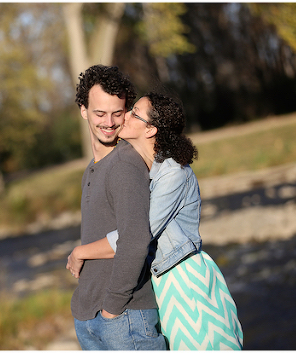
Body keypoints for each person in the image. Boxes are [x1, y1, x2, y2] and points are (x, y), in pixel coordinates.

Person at [67, 92, 244, 350]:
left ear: (150, 129)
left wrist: (81, 251)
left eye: (133, 112)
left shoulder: (173, 173)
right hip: (162, 282)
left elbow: (135, 235)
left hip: (184, 282)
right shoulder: (146, 169)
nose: (123, 116)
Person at [67, 64, 166, 350]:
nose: (109, 122)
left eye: (117, 113)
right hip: (91, 316)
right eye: (100, 113)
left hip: (124, 320)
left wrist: (112, 309)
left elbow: (135, 239)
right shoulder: (94, 168)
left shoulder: (123, 164)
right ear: (84, 110)